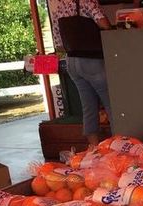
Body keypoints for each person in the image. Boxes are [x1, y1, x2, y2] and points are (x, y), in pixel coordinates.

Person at [49, 0, 113, 146]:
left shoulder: (59, 7)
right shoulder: (87, 2)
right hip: (91, 60)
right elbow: (104, 25)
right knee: (111, 103)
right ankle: (120, 143)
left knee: (88, 106)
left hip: (71, 61)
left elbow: (59, 43)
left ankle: (93, 147)